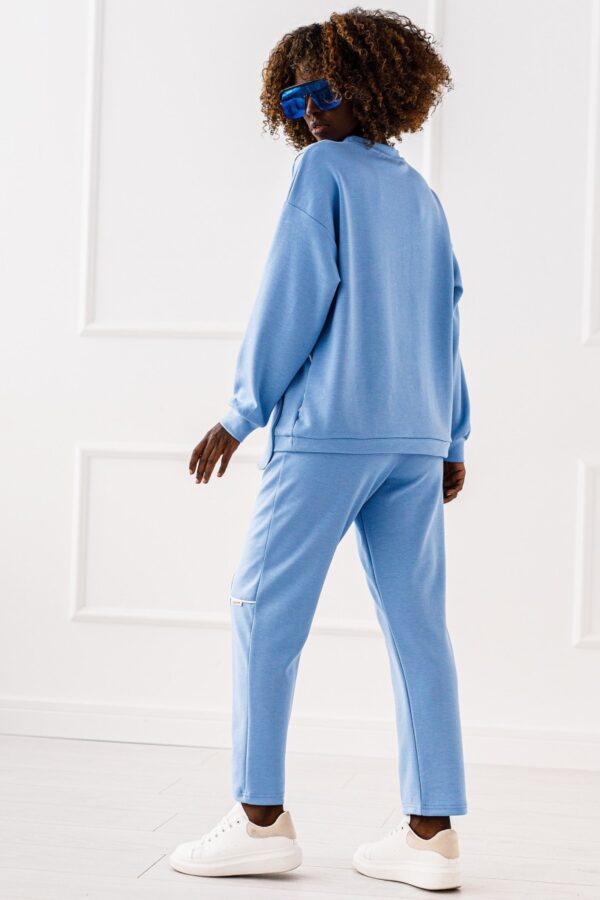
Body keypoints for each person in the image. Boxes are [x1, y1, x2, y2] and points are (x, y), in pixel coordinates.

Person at [170, 7, 470, 891]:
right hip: (415, 440)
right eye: (293, 101)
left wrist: (241, 413)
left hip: (329, 434)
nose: (306, 116)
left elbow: (293, 296)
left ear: (371, 90)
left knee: (264, 607)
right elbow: (447, 318)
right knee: (418, 627)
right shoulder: (421, 194)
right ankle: (431, 837)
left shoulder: (322, 172)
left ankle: (260, 821)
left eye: (321, 94)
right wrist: (453, 434)